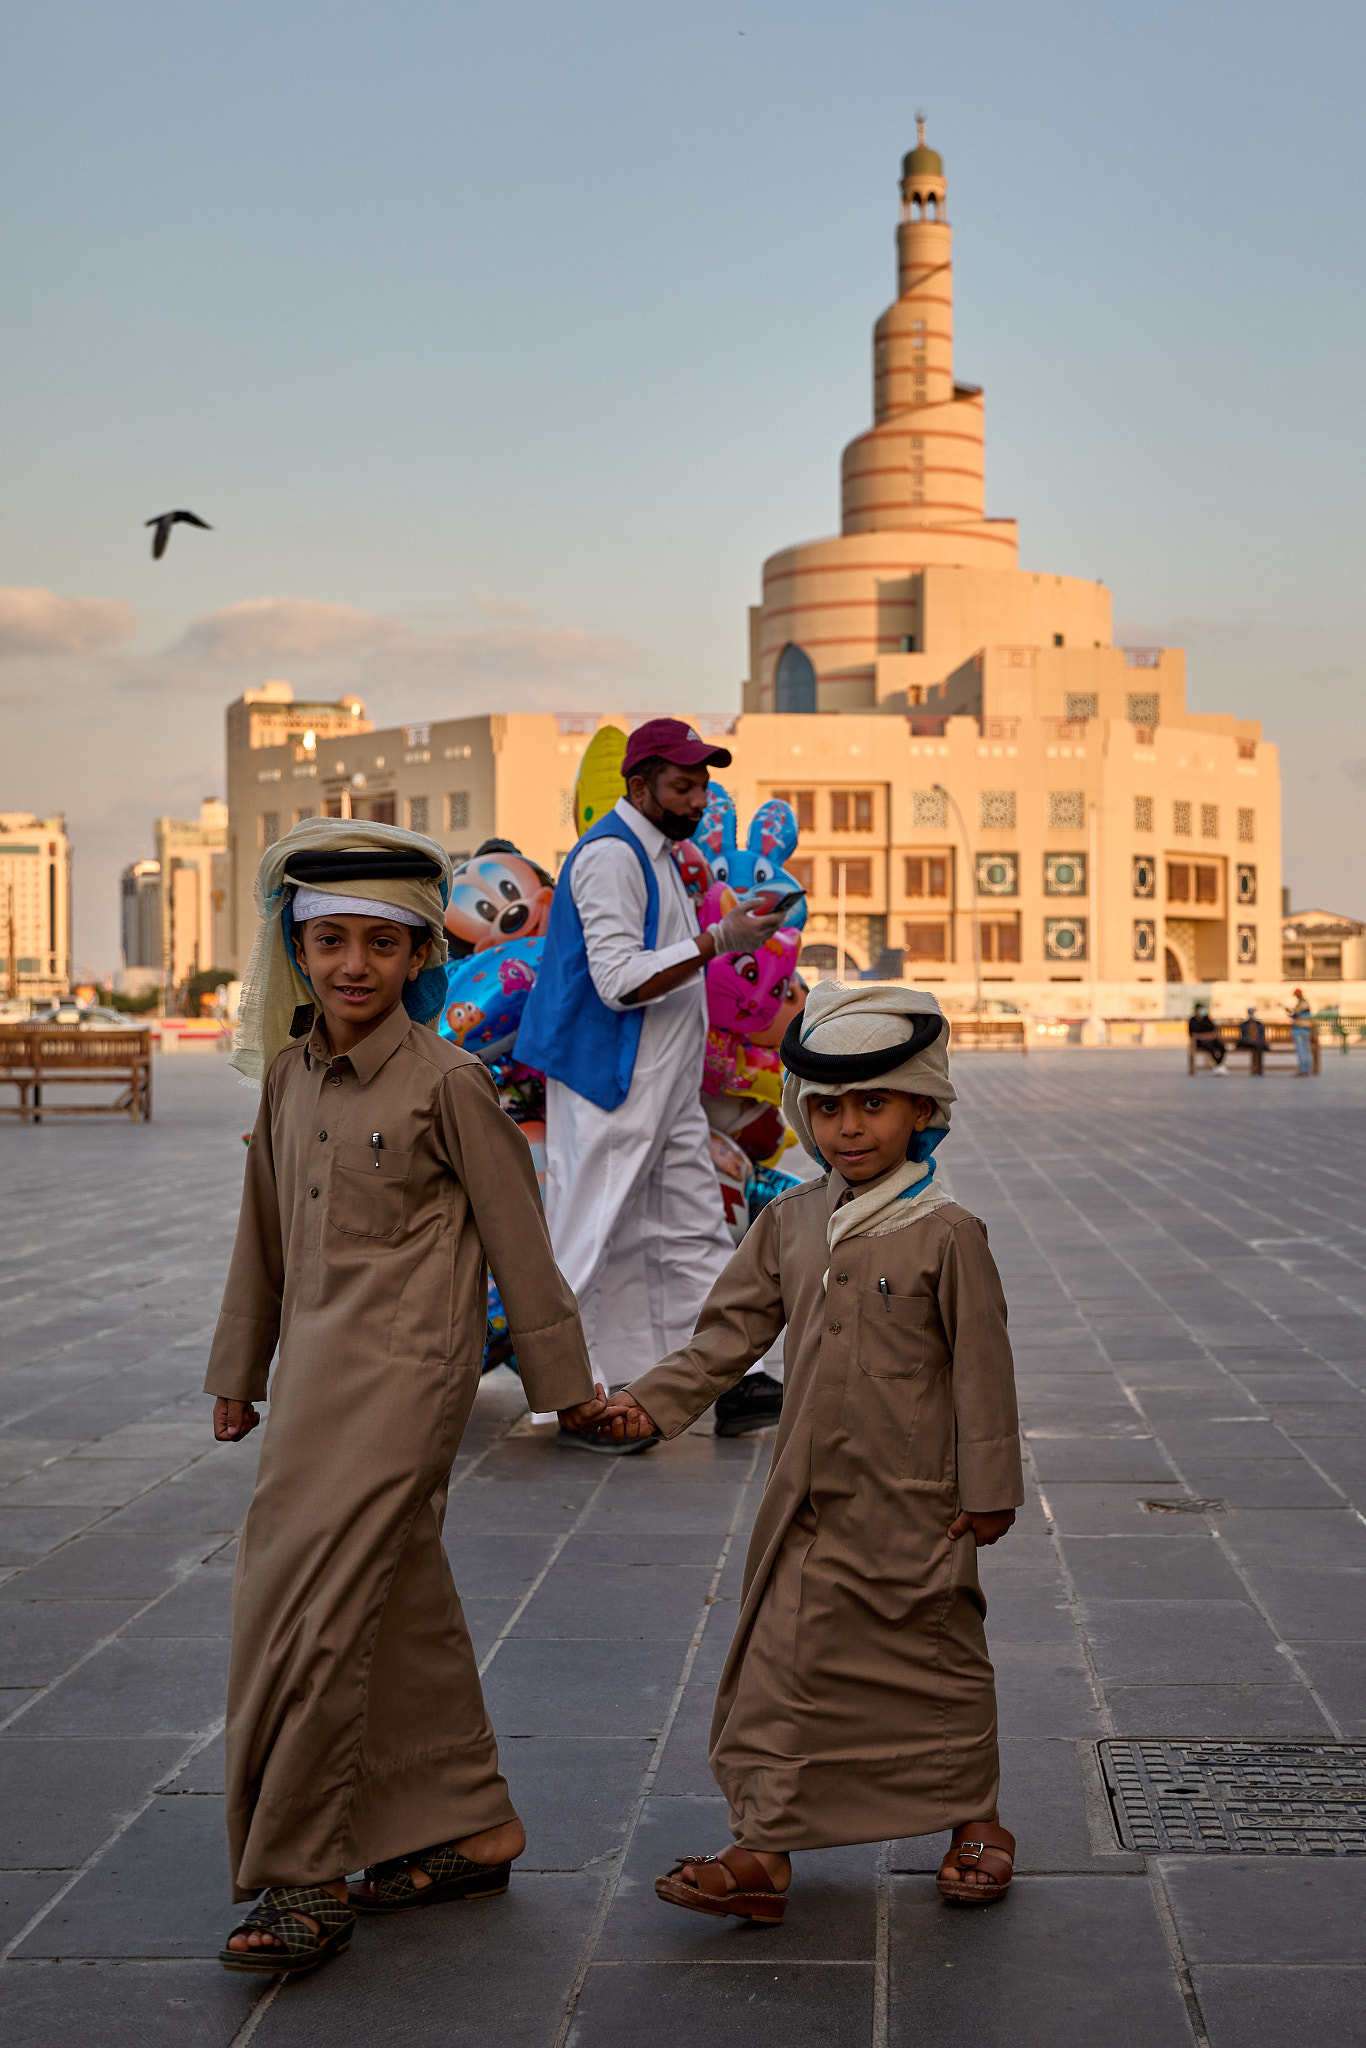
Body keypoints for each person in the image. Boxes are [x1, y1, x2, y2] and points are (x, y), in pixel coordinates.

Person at [206, 819, 596, 1977]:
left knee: (310, 1614)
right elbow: (262, 1235)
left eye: (381, 943)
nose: (352, 965)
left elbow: (522, 1242)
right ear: (298, 946)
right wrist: (239, 1369)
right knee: (393, 1598)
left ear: (422, 953)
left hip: (404, 1384)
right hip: (314, 1379)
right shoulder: (287, 1075)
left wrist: (565, 1388)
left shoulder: (452, 1081)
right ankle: (471, 1822)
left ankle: (302, 1869)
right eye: (328, 940)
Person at [568, 984, 1023, 1917]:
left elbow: (984, 1371)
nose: (848, 1127)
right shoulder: (789, 1223)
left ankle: (974, 1819)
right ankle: (764, 1852)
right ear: (802, 1115)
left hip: (917, 1504)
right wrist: (649, 1408)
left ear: (921, 1110)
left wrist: (989, 1491)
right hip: (807, 1505)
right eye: (826, 1107)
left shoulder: (950, 1234)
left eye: (872, 1104)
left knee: (937, 1664)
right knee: (778, 1666)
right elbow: (724, 1339)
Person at [517, 718, 784, 1451]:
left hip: (661, 1085)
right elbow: (617, 980)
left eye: (703, 784)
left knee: (693, 1231)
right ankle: (569, 1396)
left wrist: (728, 936)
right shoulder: (610, 854)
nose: (699, 798)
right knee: (589, 1231)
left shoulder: (662, 854)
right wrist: (720, 941)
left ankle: (723, 1377)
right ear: (640, 786)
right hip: (612, 1077)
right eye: (683, 784)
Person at [1188, 1001, 1226, 1072]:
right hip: (1200, 1041)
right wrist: (1204, 1036)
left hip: (1211, 1039)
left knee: (1221, 1046)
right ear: (1196, 1010)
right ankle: (1218, 1065)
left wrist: (1212, 1036)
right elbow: (1193, 1034)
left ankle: (1218, 1064)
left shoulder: (1207, 1019)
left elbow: (1213, 1030)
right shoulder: (1192, 1021)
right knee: (1210, 1048)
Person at [1287, 987, 1314, 1076]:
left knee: (1302, 1050)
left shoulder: (1302, 1004)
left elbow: (1295, 1013)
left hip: (1300, 1030)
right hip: (1305, 1030)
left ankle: (1304, 1070)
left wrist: (1290, 1012)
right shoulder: (1303, 1003)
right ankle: (1306, 1069)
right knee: (1305, 1050)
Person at [1237, 1006, 1267, 1077]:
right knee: (1259, 1045)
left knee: (1258, 1046)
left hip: (1257, 1043)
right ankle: (1258, 1069)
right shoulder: (1244, 1024)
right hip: (1247, 1042)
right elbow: (1243, 1036)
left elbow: (1262, 1035)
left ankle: (1258, 1069)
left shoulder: (1259, 1024)